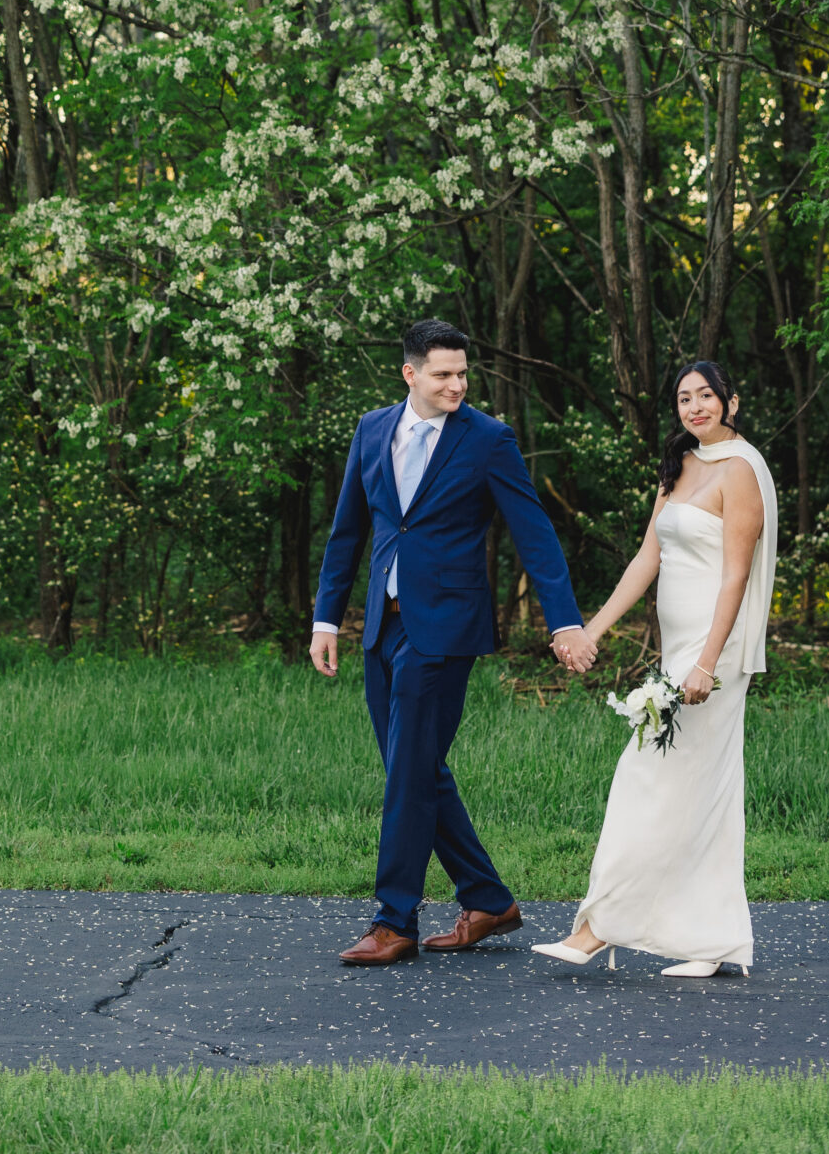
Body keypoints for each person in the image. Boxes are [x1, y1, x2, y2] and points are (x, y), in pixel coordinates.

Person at [310, 318, 595, 965]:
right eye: (442, 374)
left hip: (445, 628)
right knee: (413, 771)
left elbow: (534, 530)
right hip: (381, 626)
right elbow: (346, 532)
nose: (456, 385)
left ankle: (393, 921)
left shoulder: (487, 440)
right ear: (409, 374)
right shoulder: (372, 430)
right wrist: (326, 619)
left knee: (408, 771)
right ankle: (487, 898)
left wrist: (563, 619)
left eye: (462, 373)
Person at [531, 359, 778, 980]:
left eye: (706, 396)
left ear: (732, 401)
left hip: (710, 657)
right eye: (684, 398)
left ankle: (595, 930)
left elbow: (736, 576)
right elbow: (648, 559)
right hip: (677, 650)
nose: (695, 407)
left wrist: (705, 662)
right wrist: (592, 628)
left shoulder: (743, 471)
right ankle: (712, 937)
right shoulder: (679, 466)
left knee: (650, 779)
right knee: (695, 790)